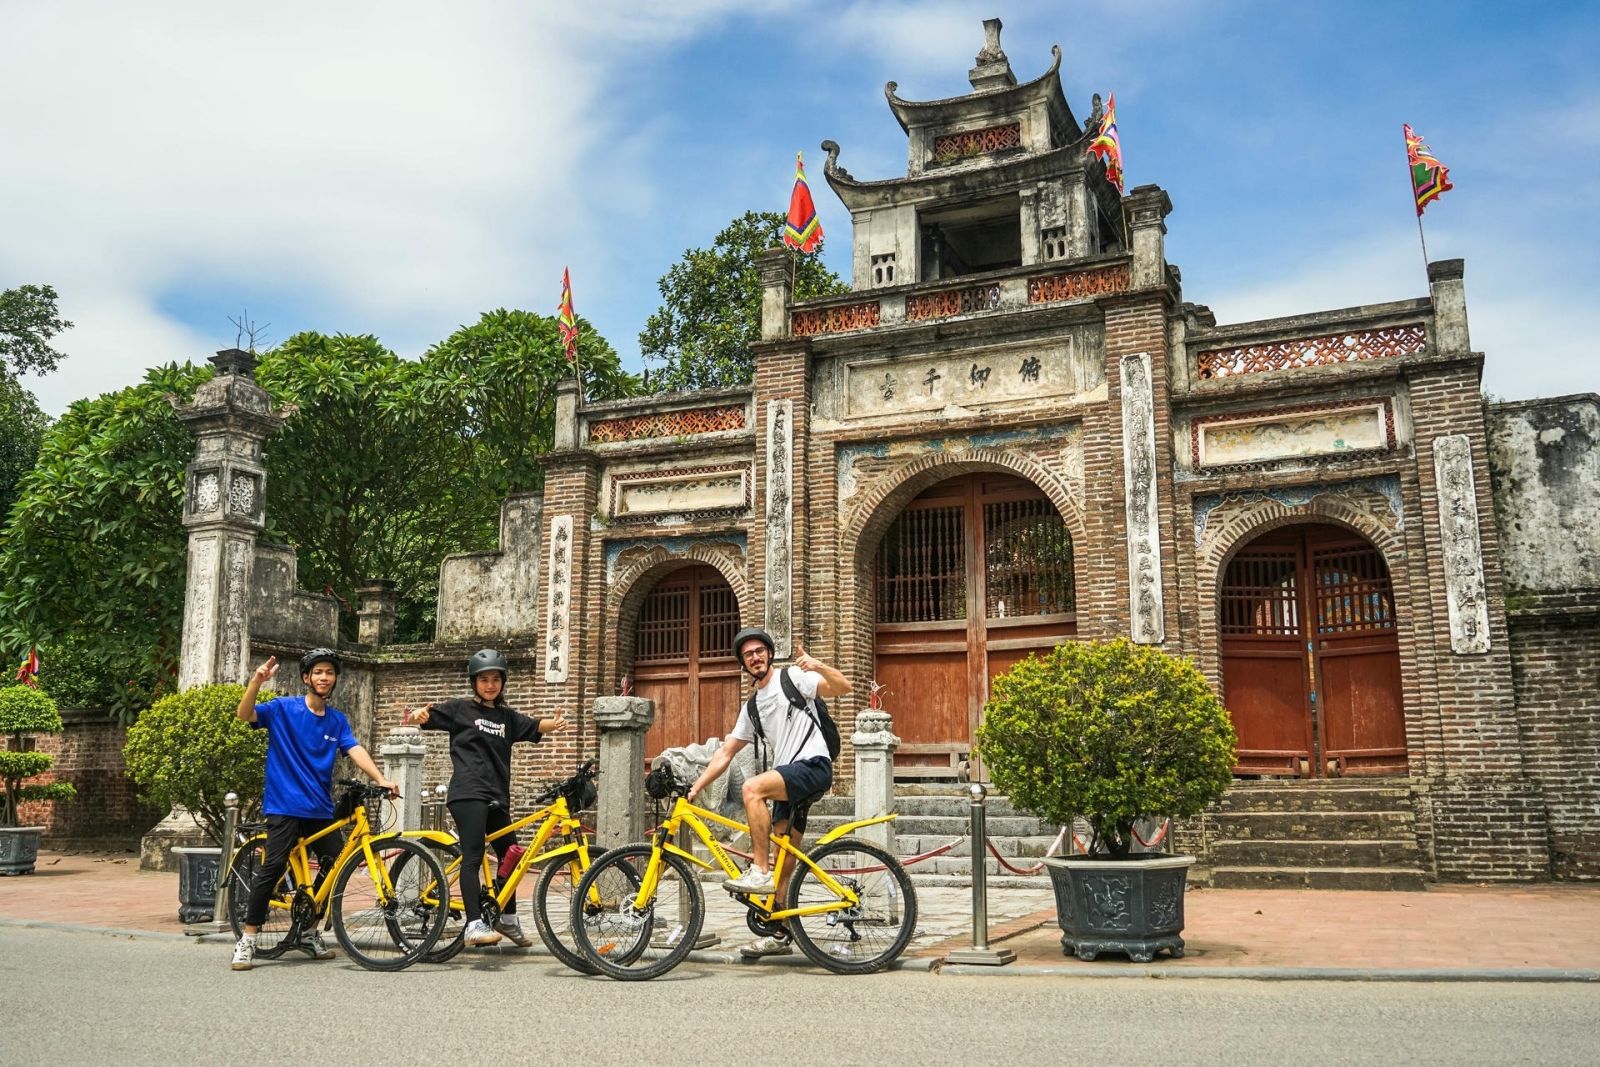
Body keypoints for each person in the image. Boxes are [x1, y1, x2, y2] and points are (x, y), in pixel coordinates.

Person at [688, 627, 851, 959]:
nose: (755, 657)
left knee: (751, 788)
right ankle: (779, 933)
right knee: (785, 863)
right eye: (748, 654)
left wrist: (817, 665)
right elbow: (725, 753)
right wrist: (697, 786)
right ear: (743, 664)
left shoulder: (793, 678)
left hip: (813, 765)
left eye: (760, 651)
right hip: (789, 781)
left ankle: (759, 871)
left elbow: (843, 687)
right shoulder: (752, 707)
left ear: (770, 654)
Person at [231, 648, 398, 971]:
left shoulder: (336, 720)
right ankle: (248, 939)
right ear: (306, 678)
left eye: (329, 672)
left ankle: (308, 931)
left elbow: (354, 749)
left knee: (335, 864)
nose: (324, 677)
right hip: (284, 805)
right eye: (318, 672)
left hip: (319, 808)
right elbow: (244, 714)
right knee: (273, 866)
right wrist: (256, 682)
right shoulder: (283, 708)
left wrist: (380, 778)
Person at [406, 648, 569, 949]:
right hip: (468, 793)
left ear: (503, 682)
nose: (490, 685)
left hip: (497, 795)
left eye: (495, 679)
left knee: (512, 856)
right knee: (473, 855)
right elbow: (423, 717)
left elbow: (534, 725)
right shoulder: (460, 709)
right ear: (474, 682)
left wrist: (554, 723)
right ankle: (473, 924)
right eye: (484, 680)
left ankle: (507, 918)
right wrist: (418, 715)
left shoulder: (507, 717)